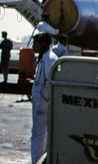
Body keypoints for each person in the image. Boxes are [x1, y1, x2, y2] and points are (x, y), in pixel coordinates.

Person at [31, 31, 58, 164]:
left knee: (40, 136)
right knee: (38, 135)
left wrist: (43, 97)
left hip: (43, 105)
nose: (33, 46)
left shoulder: (50, 58)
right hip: (39, 105)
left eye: (35, 43)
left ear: (42, 44)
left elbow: (51, 82)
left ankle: (38, 161)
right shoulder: (43, 58)